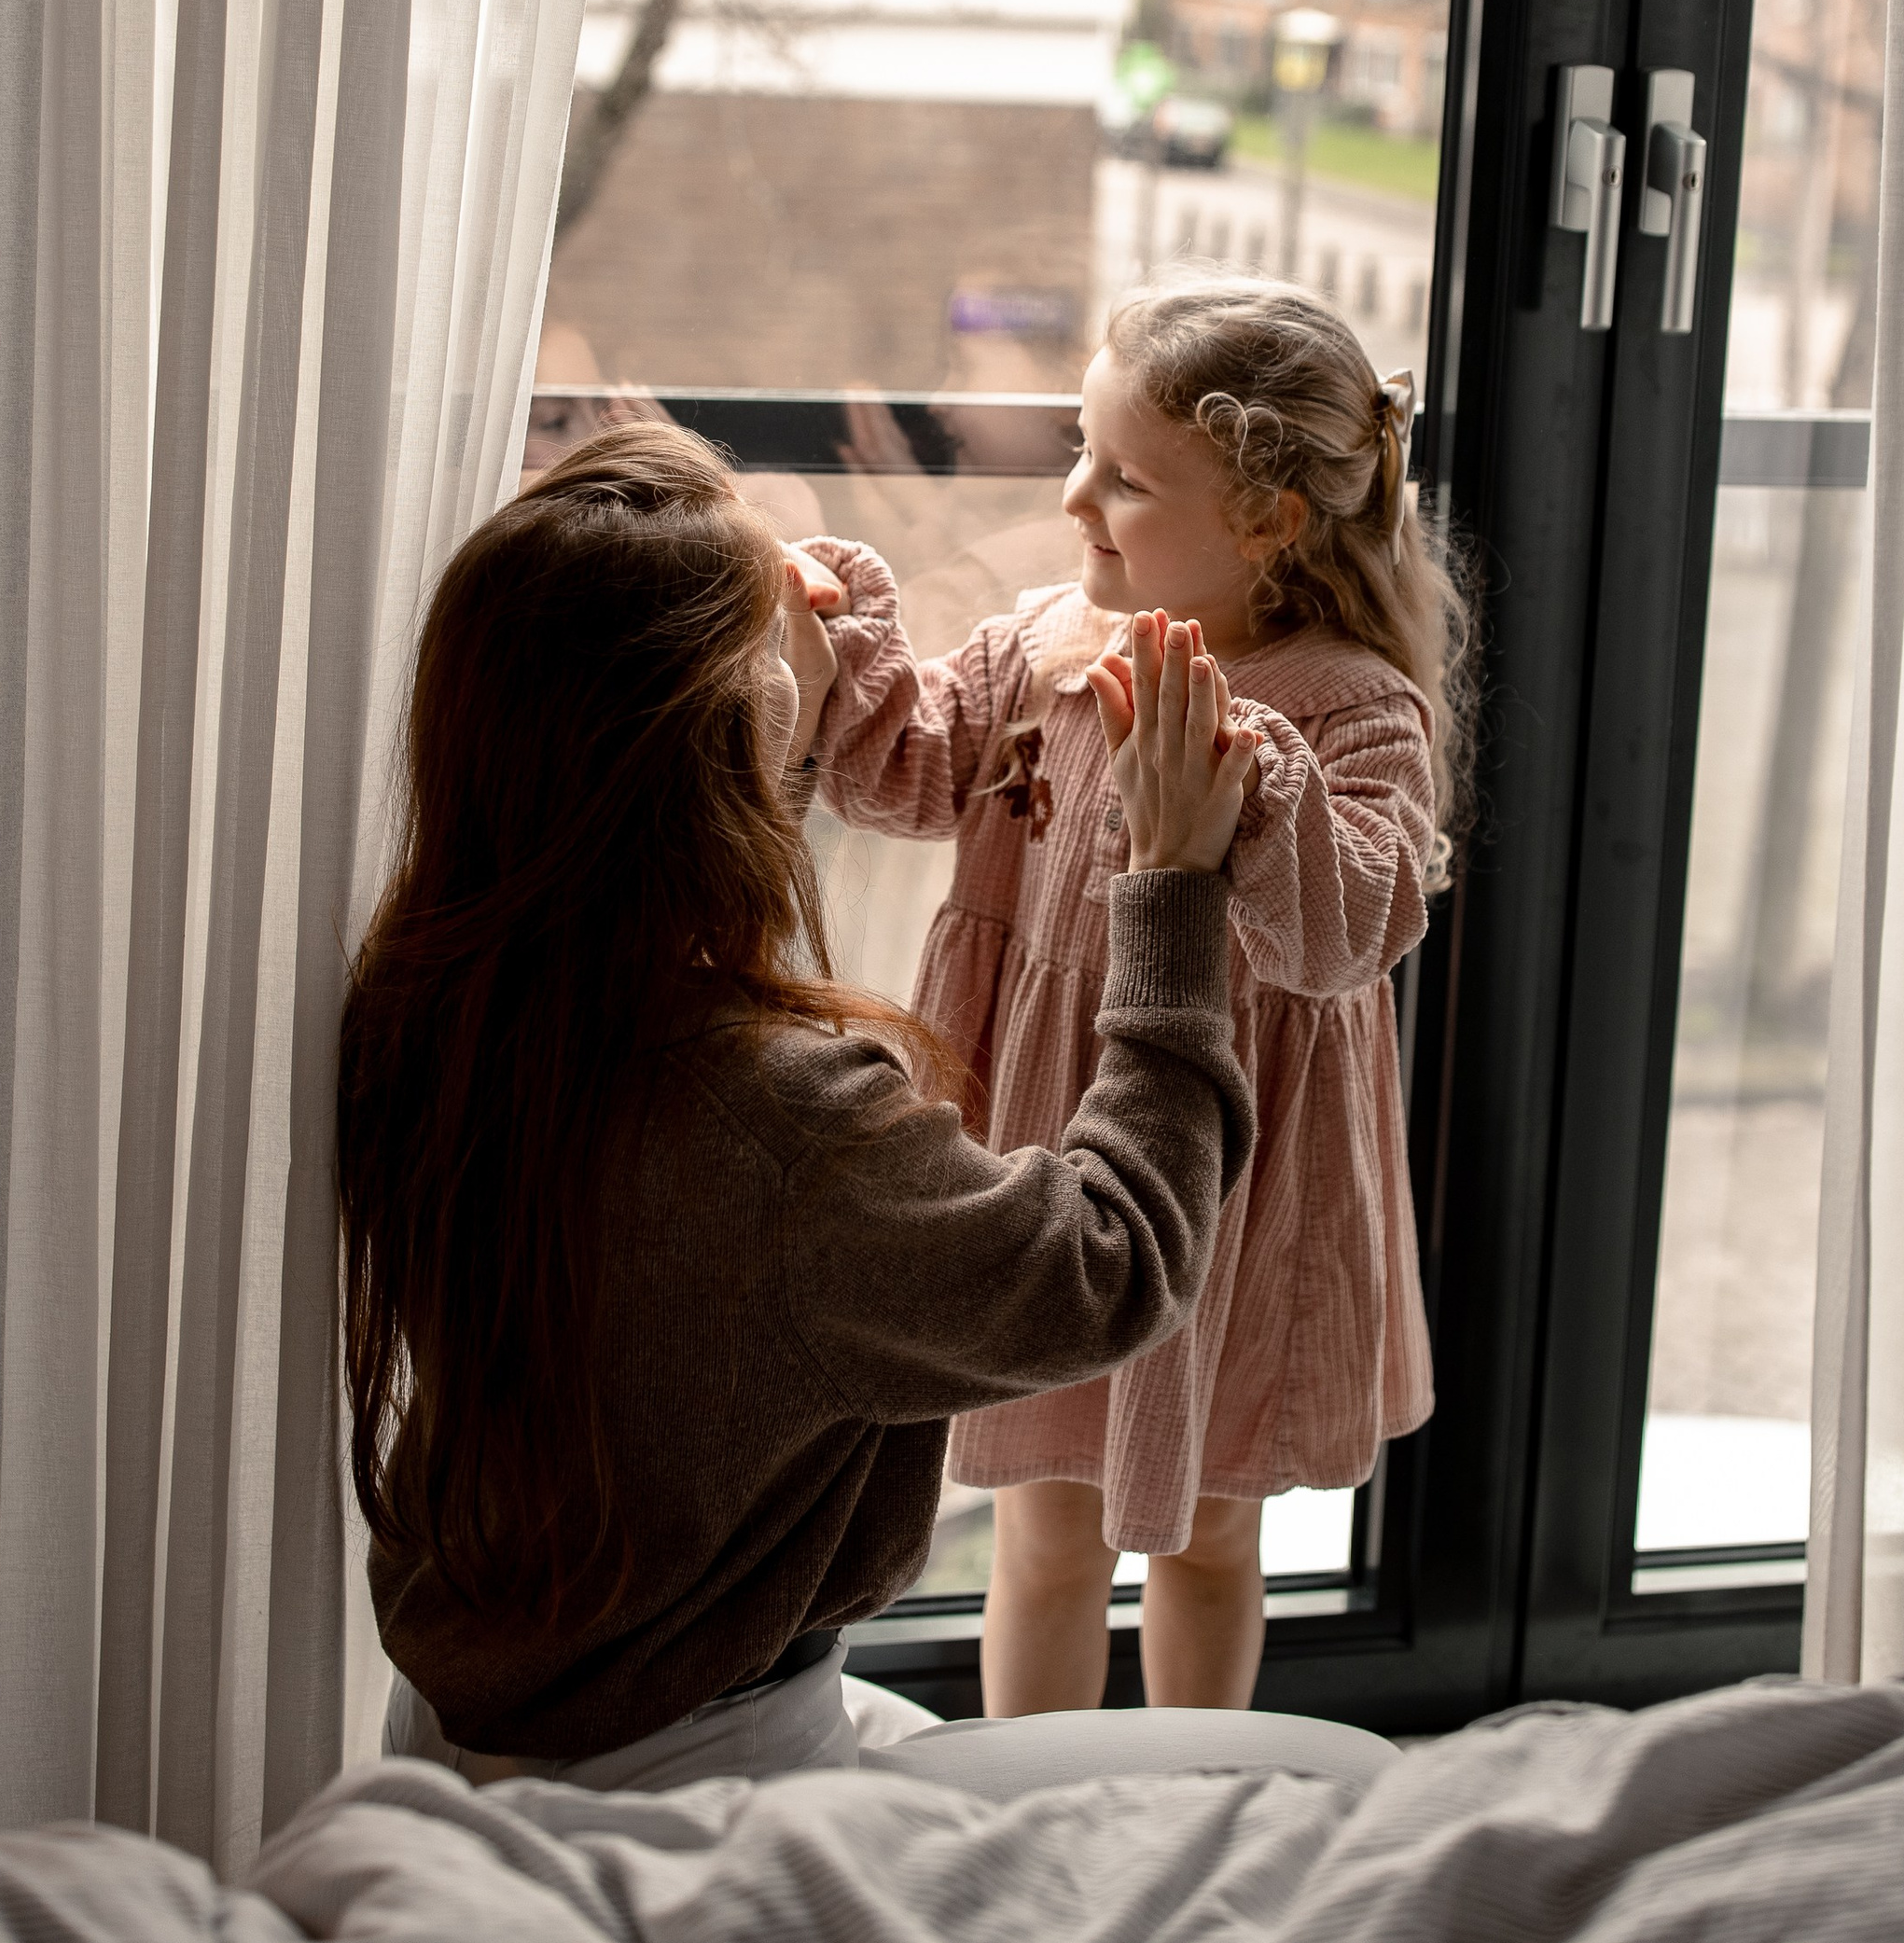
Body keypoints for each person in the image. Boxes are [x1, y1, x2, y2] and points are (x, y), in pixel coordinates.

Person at [338, 417, 1264, 1793]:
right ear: (716, 742)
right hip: (701, 1781)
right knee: (1251, 1787)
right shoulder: (783, 1128)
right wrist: (1174, 889)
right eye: (769, 639)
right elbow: (1107, 1262)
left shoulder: (433, 1006)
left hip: (487, 1727)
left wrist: (773, 704)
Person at [799, 277, 1466, 1718]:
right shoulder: (1049, 647)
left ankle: (1186, 1809)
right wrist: (837, 635)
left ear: (1269, 523)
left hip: (1241, 1178)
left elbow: (1343, 935)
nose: (1076, 500)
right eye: (1080, 455)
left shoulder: (1357, 707)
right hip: (1045, 1144)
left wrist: (1242, 773)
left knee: (1217, 1525)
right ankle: (1030, 1823)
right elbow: (898, 770)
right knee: (1043, 1516)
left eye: (1126, 477)